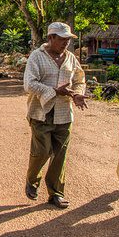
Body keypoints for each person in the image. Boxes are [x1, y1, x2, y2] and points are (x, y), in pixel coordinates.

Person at [23, 22, 87, 209]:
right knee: (42, 151)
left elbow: (79, 79)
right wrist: (53, 91)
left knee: (60, 154)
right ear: (51, 38)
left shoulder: (70, 58)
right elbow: (29, 84)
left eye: (68, 39)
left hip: (63, 113)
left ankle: (56, 193)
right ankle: (32, 180)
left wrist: (77, 93)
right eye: (62, 39)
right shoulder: (37, 56)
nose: (65, 43)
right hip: (40, 112)